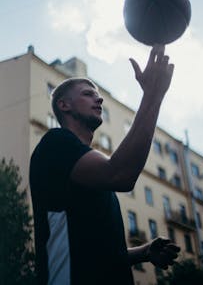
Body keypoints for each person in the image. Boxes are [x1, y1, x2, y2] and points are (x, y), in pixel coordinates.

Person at [29, 43, 180, 285]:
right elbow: (121, 174)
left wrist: (144, 252)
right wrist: (153, 94)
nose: (98, 98)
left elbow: (101, 252)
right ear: (63, 105)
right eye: (88, 93)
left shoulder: (95, 178)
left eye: (98, 95)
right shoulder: (55, 143)